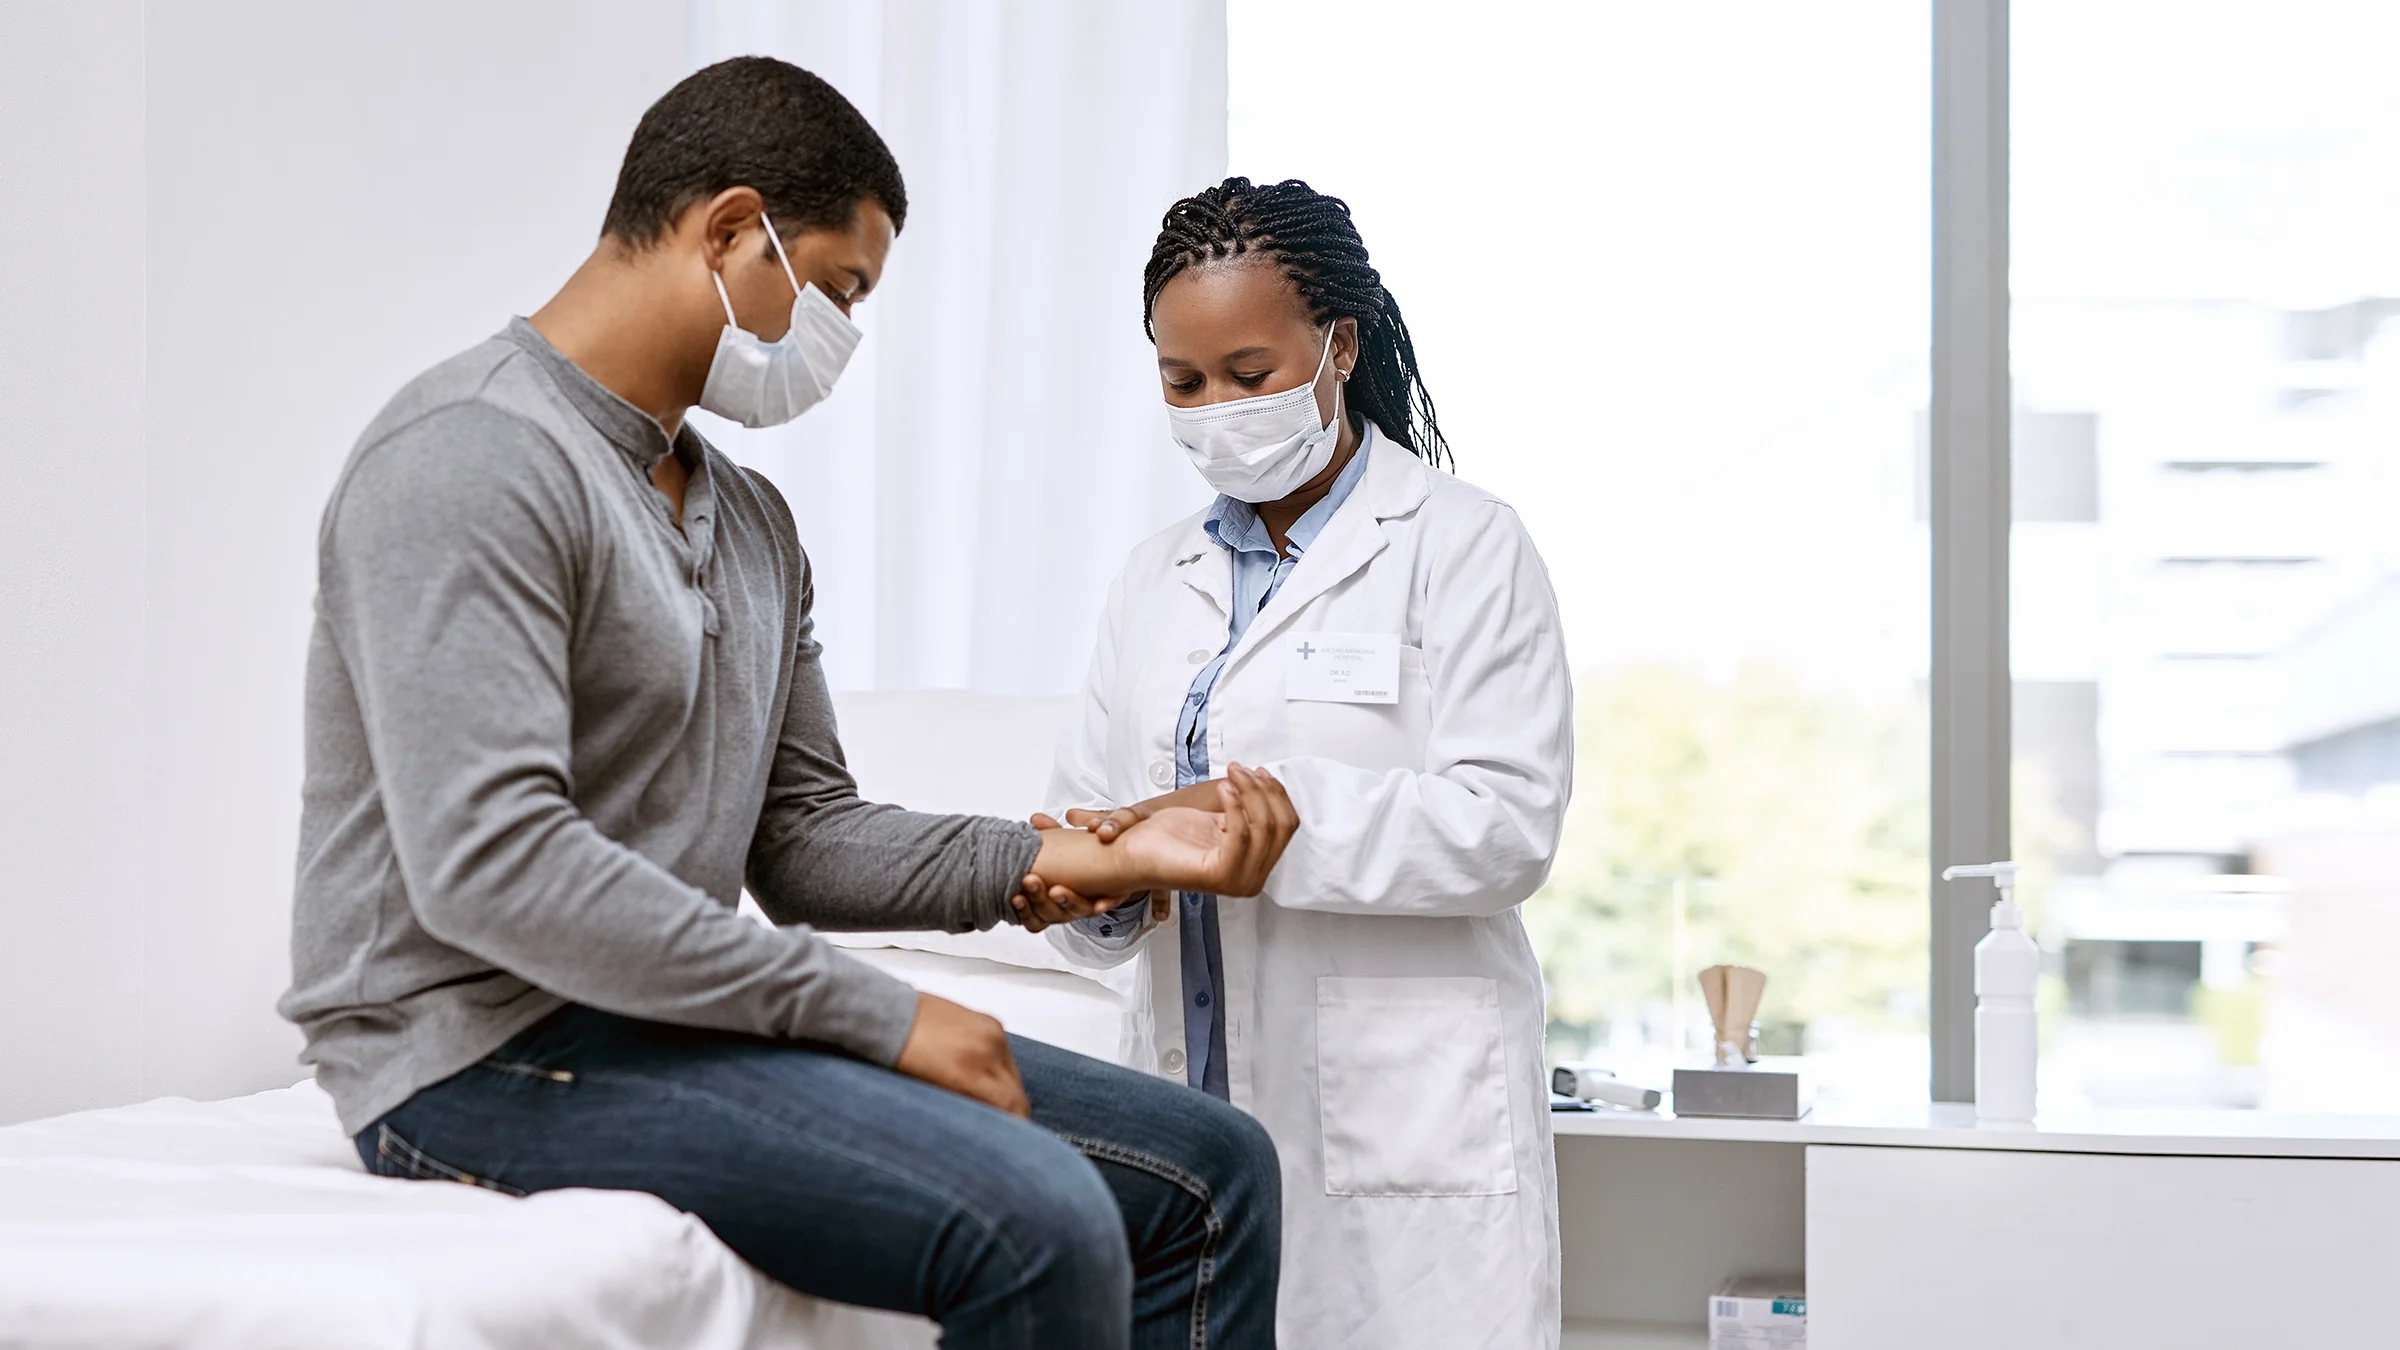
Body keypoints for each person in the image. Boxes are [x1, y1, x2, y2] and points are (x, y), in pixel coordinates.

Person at [276, 59, 1299, 1350]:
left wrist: (1093, 849)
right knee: (1036, 1216)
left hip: (661, 1023)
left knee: (1213, 1172)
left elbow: (804, 837)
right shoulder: (470, 457)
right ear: (729, 230)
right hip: (471, 1056)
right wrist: (885, 1012)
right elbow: (497, 870)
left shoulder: (751, 523)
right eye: (839, 289)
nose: (840, 339)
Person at [1035, 177, 1574, 1349]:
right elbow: (1089, 813)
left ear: (1337, 347)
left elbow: (1506, 823)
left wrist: (1244, 828)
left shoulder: (1462, 544)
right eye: (1182, 382)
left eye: (1248, 373)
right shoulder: (1151, 577)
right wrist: (1100, 885)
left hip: (1398, 1120)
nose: (1214, 406)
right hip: (1188, 1120)